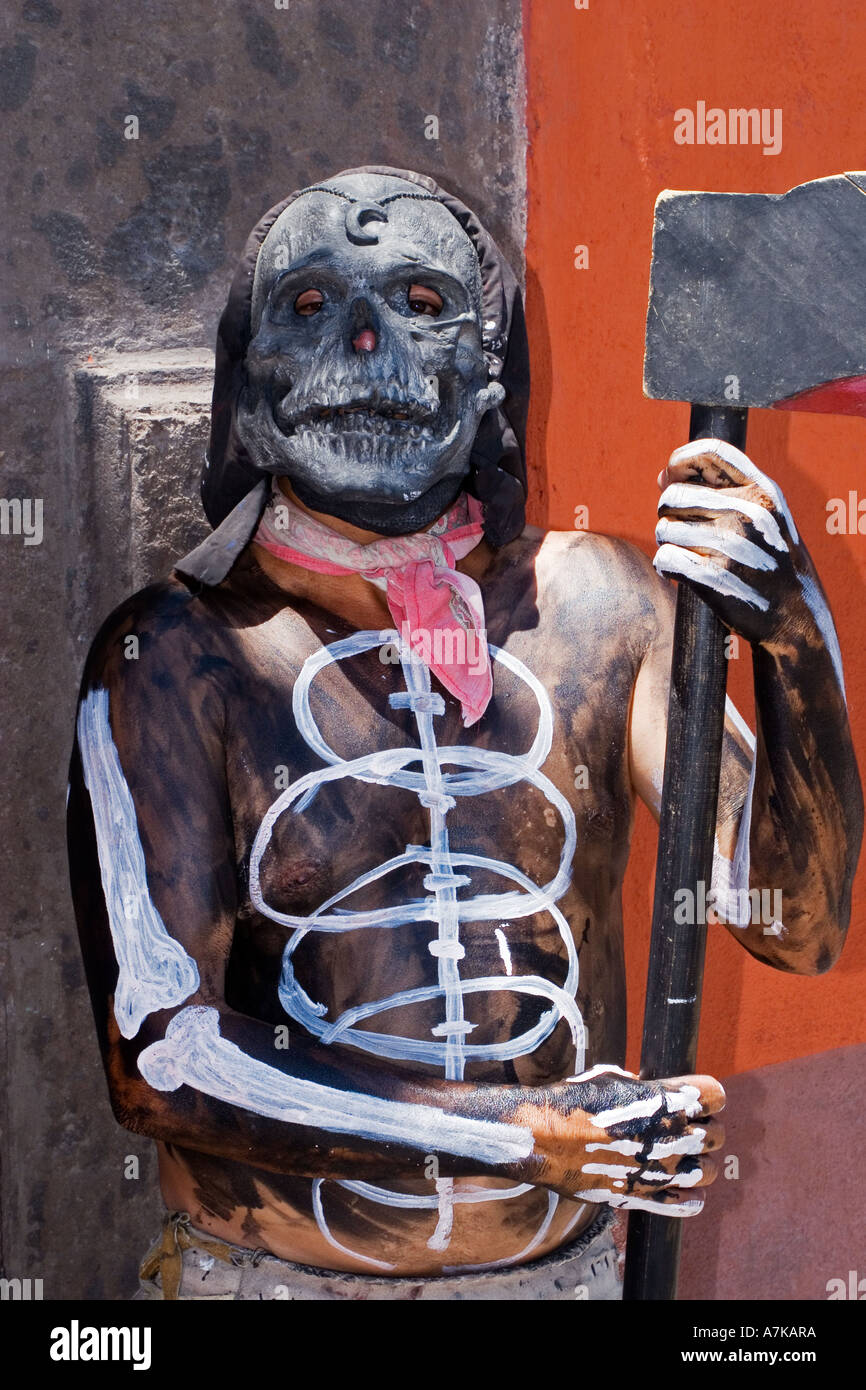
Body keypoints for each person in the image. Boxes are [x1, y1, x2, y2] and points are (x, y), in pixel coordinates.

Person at [67, 167, 862, 1300]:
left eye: (421, 305)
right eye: (308, 308)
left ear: (491, 376)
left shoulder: (600, 610)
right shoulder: (173, 656)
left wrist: (792, 636)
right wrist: (521, 1136)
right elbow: (159, 1058)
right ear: (247, 384)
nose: (362, 343)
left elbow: (793, 924)